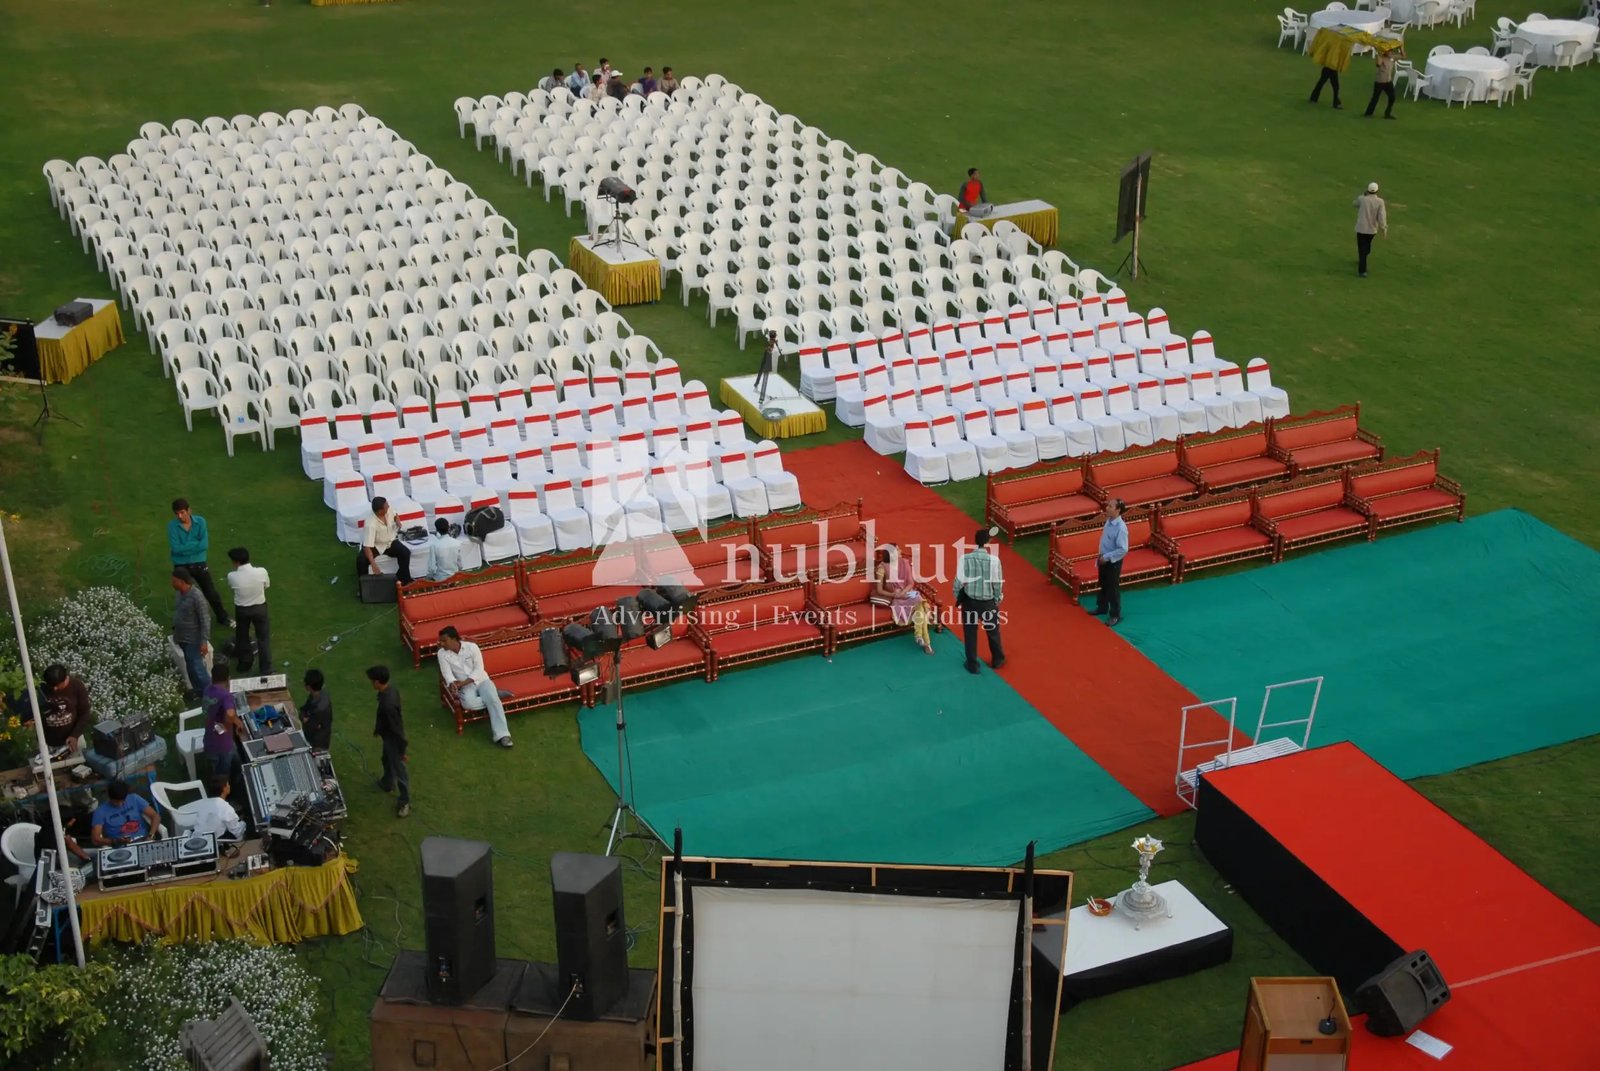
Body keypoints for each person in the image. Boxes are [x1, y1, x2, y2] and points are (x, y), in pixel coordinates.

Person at [437, 627, 514, 749]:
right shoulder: (442, 654)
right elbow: (447, 674)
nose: (441, 644)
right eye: (440, 641)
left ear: (454, 639)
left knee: (492, 700)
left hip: (482, 681)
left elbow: (479, 670)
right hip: (466, 687)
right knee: (469, 704)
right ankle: (495, 695)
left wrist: (461, 684)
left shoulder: (472, 647)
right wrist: (452, 683)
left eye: (444, 641)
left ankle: (503, 735)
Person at [168, 498, 231, 626]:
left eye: (182, 512)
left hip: (198, 563)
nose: (179, 516)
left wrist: (185, 547)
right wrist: (194, 545)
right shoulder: (172, 526)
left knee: (211, 592)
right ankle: (183, 622)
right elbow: (176, 548)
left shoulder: (200, 522)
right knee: (184, 595)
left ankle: (223, 617)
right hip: (181, 565)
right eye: (177, 514)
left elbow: (204, 545)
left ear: (188, 510)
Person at [953, 527, 1006, 675]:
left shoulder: (964, 559)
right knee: (993, 632)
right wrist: (997, 599)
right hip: (988, 602)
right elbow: (997, 584)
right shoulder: (994, 561)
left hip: (969, 603)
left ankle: (972, 665)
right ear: (988, 541)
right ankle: (998, 659)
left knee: (970, 634)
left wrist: (959, 597)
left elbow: (958, 582)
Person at [873, 546, 933, 655]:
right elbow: (879, 590)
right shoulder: (882, 567)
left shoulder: (905, 563)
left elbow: (911, 583)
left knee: (919, 599)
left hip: (908, 593)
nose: (900, 551)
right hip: (896, 597)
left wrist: (904, 591)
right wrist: (894, 594)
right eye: (897, 549)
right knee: (921, 609)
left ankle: (920, 636)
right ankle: (926, 643)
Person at [369, 665, 409, 818]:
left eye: (372, 681)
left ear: (378, 682)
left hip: (393, 740)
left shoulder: (388, 704)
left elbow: (397, 729)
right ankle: (387, 783)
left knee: (400, 771)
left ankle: (404, 802)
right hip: (387, 736)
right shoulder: (389, 691)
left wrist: (402, 751)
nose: (371, 684)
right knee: (385, 759)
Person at [225, 546, 272, 675]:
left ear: (237, 562)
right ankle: (266, 669)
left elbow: (233, 588)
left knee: (242, 636)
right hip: (260, 607)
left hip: (242, 610)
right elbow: (266, 585)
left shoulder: (232, 576)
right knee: (263, 639)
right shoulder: (262, 571)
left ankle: (245, 663)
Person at [29, 664, 92, 755]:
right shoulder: (40, 690)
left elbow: (84, 713)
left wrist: (74, 735)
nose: (54, 689)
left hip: (73, 740)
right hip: (47, 743)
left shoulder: (77, 686)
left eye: (58, 685)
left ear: (65, 679)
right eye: (51, 686)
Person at [202, 662, 244, 787]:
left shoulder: (207, 690)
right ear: (228, 679)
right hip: (222, 746)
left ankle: (237, 778)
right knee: (221, 776)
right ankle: (225, 797)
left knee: (235, 760)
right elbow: (230, 714)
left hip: (210, 738)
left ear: (212, 677)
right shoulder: (226, 695)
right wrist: (233, 723)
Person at [172, 567, 213, 695]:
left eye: (173, 581)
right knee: (191, 667)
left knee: (197, 668)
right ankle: (198, 691)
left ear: (181, 581)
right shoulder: (179, 593)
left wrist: (204, 641)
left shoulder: (197, 597)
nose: (171, 583)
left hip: (193, 639)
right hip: (181, 637)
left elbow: (205, 619)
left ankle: (211, 693)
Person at [1090, 499, 1128, 627]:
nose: (1107, 508)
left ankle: (1115, 615)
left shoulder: (1121, 528)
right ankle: (1102, 607)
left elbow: (1123, 549)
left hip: (1113, 562)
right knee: (1103, 584)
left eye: (1110, 506)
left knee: (1112, 588)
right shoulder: (1109, 521)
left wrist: (1107, 557)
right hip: (1103, 559)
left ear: (1118, 510)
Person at [358, 496, 412, 584]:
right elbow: (367, 546)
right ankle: (364, 587)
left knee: (405, 553)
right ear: (380, 511)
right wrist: (374, 565)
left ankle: (403, 580)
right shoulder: (370, 524)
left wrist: (397, 520)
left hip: (390, 542)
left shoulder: (388, 510)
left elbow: (395, 514)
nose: (389, 506)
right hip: (376, 545)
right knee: (361, 560)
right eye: (386, 506)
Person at [91, 780, 161, 846]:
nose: (120, 804)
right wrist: (115, 841)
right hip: (122, 846)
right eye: (116, 802)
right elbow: (95, 839)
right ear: (109, 797)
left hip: (144, 839)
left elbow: (155, 816)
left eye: (123, 801)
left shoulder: (134, 798)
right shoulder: (100, 812)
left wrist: (151, 835)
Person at [187, 775, 246, 842]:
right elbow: (236, 831)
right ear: (224, 789)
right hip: (214, 841)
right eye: (228, 785)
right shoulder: (225, 807)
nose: (229, 786)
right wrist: (243, 824)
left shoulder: (203, 804)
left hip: (197, 839)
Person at [1354, 181, 1388, 278]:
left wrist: (1362, 195)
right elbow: (1381, 217)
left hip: (1361, 228)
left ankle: (1362, 271)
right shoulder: (1380, 202)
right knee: (1366, 247)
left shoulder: (1362, 199)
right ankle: (1362, 261)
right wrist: (1384, 228)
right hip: (1372, 230)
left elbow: (1354, 204)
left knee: (1362, 249)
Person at [1364, 45, 1402, 120]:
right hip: (1380, 82)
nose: (1390, 52)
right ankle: (1368, 113)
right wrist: (1378, 52)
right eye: (1389, 51)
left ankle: (1387, 113)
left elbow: (1403, 56)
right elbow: (1378, 64)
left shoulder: (1392, 58)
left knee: (1392, 97)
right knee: (1375, 98)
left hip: (1388, 81)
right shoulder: (1381, 58)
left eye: (1391, 51)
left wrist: (1401, 47)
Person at [301, 668, 333, 751]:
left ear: (308, 687)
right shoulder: (315, 695)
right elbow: (303, 709)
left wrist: (305, 719)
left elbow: (309, 726)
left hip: (318, 744)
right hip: (313, 737)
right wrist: (304, 717)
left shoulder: (320, 708)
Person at [427, 517, 464, 582]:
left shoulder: (434, 546)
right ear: (448, 527)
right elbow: (460, 565)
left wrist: (428, 578)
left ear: (437, 530)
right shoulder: (457, 543)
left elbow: (431, 568)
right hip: (455, 579)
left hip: (440, 580)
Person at [754, 331, 780, 404]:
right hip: (768, 351)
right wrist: (772, 345)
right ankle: (761, 399)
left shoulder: (771, 343)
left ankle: (756, 384)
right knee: (765, 367)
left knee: (763, 364)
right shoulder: (770, 345)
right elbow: (771, 347)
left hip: (768, 349)